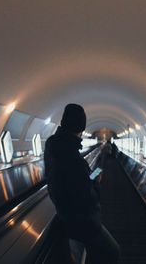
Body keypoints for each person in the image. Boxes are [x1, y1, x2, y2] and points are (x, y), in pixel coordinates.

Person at [44, 103, 120, 264]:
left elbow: (75, 181)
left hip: (63, 213)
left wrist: (90, 178)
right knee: (113, 251)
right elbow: (87, 195)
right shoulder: (73, 158)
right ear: (80, 129)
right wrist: (96, 180)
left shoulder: (52, 144)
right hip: (82, 223)